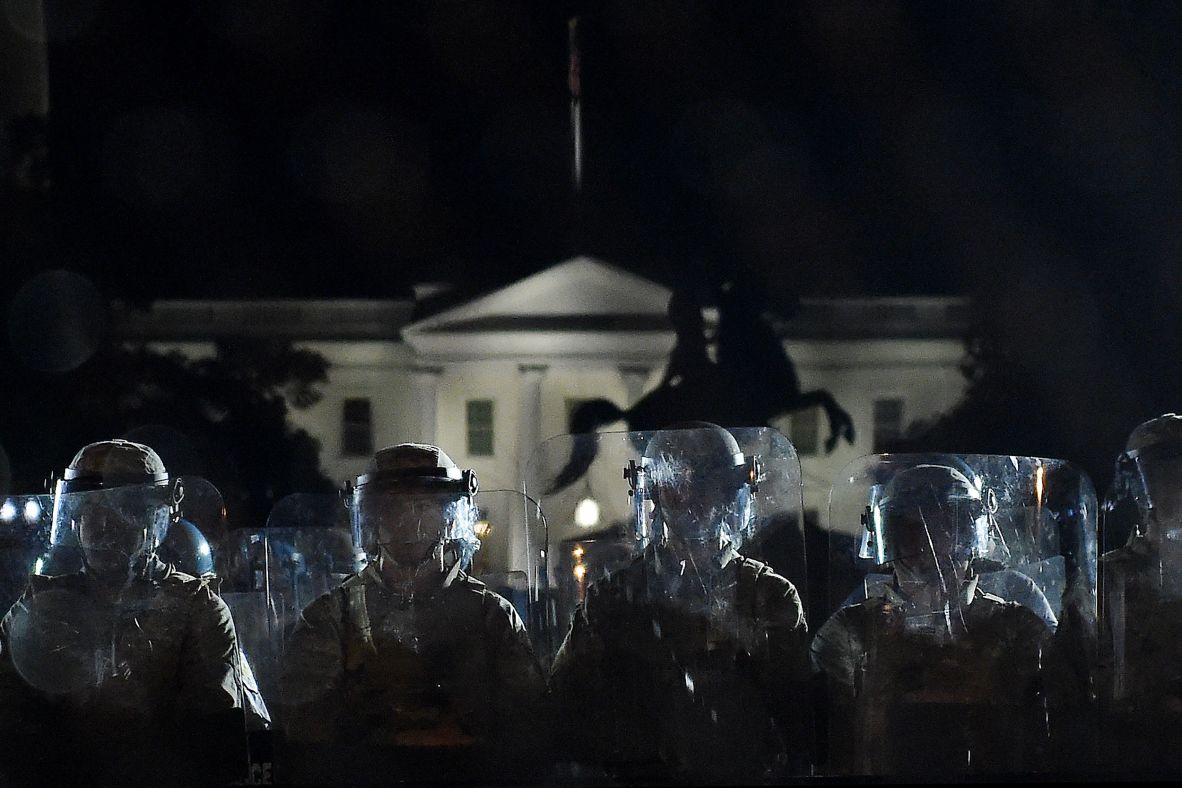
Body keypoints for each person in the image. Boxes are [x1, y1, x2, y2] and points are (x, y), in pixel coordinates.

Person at [550, 423, 813, 783]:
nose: (691, 497)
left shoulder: (768, 595)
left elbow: (796, 711)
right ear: (655, 492)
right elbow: (567, 702)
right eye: (677, 484)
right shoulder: (613, 597)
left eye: (706, 484)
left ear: (729, 492)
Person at [275, 443, 547, 784]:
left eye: (424, 505)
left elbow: (527, 725)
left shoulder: (491, 615)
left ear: (451, 518)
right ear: (373, 519)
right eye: (394, 506)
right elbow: (308, 735)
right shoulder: (331, 617)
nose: (409, 519)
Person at [0, 439, 246, 785]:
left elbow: (211, 738)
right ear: (73, 521)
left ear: (155, 518)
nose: (104, 527)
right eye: (90, 511)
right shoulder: (41, 605)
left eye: (125, 510)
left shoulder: (197, 608)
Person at [812, 463, 1053, 776]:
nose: (929, 550)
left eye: (947, 529)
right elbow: (832, 744)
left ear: (972, 534)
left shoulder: (1019, 628)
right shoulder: (849, 632)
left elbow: (1049, 737)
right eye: (908, 532)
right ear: (885, 536)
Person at [1098, 414, 1182, 774]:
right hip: (1129, 755)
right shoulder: (1109, 578)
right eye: (1161, 467)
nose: (1175, 481)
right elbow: (1069, 682)